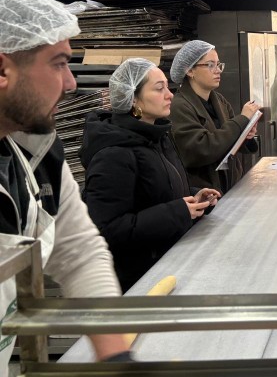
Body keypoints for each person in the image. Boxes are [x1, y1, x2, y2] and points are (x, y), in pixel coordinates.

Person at [0, 0, 129, 370]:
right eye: (58, 64)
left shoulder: (35, 152)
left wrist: (117, 359)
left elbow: (78, 251)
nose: (71, 83)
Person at [81, 58, 221, 291]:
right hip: (138, 283)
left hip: (167, 265)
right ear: (133, 99)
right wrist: (178, 211)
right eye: (159, 88)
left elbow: (155, 193)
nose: (170, 95)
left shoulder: (157, 136)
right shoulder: (113, 154)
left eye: (167, 86)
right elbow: (108, 230)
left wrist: (194, 197)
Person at [169, 40, 259, 193]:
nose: (217, 70)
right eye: (210, 65)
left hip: (229, 188)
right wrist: (242, 120)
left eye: (218, 65)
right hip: (203, 193)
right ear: (189, 71)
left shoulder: (220, 101)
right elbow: (202, 149)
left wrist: (246, 135)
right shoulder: (179, 106)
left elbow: (230, 141)